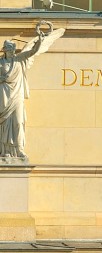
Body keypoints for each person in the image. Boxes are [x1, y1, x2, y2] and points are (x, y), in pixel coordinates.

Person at [0, 21, 65, 160]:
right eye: (8, 49)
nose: (10, 52)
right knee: (4, 124)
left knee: (18, 122)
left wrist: (40, 40)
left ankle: (19, 149)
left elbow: (32, 51)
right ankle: (5, 150)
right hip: (4, 96)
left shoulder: (19, 59)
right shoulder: (1, 63)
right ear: (4, 51)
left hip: (17, 95)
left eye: (12, 49)